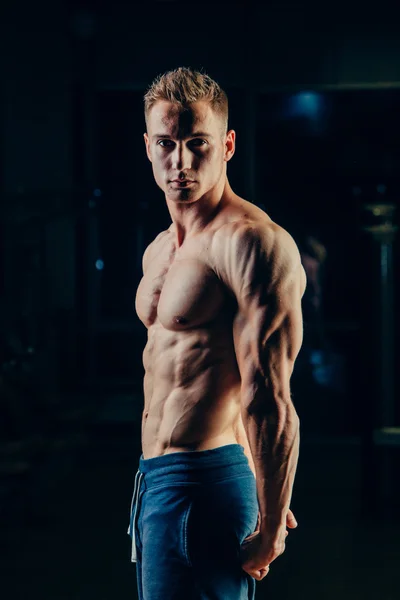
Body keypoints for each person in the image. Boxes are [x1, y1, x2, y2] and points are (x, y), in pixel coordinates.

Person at [127, 67, 306, 600]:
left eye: (197, 144)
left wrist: (271, 521)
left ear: (227, 145)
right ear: (148, 146)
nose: (180, 161)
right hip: (153, 479)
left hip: (205, 479)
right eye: (166, 144)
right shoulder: (160, 249)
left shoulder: (252, 243)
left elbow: (269, 397)